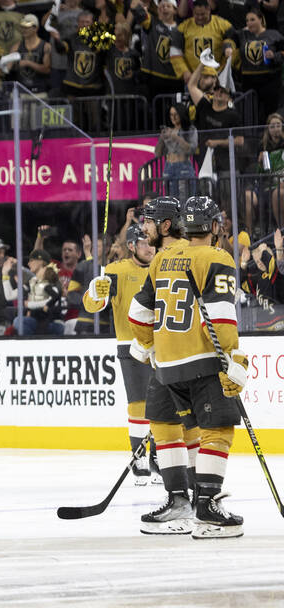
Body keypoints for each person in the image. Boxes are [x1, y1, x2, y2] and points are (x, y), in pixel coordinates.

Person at [128, 196, 247, 538]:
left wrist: (150, 347)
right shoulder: (216, 257)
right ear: (212, 227)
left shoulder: (161, 259)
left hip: (166, 365)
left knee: (176, 430)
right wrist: (231, 358)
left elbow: (138, 314)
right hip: (201, 359)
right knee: (217, 430)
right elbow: (222, 316)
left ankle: (181, 501)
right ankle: (207, 507)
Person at [83, 224, 158, 485]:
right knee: (139, 404)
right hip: (131, 345)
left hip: (165, 346)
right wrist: (96, 291)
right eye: (144, 243)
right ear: (130, 246)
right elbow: (94, 305)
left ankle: (160, 458)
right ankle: (139, 456)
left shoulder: (164, 267)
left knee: (166, 406)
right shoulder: (116, 270)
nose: (150, 247)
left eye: (152, 242)